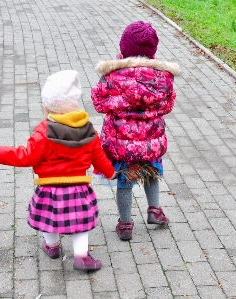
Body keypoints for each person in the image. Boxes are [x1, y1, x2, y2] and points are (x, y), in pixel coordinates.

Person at [0, 70, 115, 271]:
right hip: (78, 189)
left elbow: (25, 156)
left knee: (49, 218)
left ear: (46, 107)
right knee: (80, 223)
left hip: (49, 189)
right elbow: (99, 157)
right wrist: (110, 172)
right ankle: (81, 257)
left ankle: (52, 246)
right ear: (74, 105)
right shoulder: (89, 129)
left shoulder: (43, 132)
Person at [91, 21, 180, 241]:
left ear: (123, 50)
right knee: (152, 173)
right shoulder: (164, 78)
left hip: (122, 145)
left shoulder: (112, 76)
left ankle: (125, 223)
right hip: (151, 142)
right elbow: (168, 106)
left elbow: (99, 103)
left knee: (125, 182)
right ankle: (154, 210)